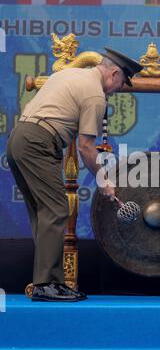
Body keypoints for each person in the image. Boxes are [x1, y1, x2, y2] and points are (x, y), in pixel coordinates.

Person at [6, 48, 143, 302]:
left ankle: (51, 282)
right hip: (38, 143)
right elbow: (86, 147)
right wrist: (103, 180)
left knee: (43, 212)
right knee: (57, 210)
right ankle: (46, 283)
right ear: (114, 74)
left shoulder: (70, 74)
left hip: (19, 138)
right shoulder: (95, 95)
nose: (118, 90)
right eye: (121, 84)